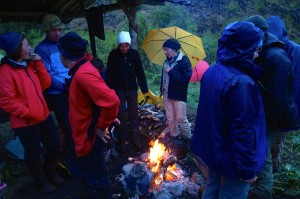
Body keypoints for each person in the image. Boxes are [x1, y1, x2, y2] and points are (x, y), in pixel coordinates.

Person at [191, 21, 267, 199]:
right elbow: (243, 130)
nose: (257, 54)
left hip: (215, 149)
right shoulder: (241, 82)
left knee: (212, 186)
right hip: (233, 157)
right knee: (232, 193)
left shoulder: (213, 70)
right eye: (256, 48)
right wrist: (247, 169)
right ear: (244, 48)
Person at [58, 31, 120, 199]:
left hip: (88, 138)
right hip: (82, 135)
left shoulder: (82, 74)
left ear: (63, 56)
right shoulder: (83, 69)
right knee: (86, 172)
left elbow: (112, 101)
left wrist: (101, 126)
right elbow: (95, 101)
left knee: (96, 177)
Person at [244, 15, 300, 199]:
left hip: (277, 115)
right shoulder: (263, 50)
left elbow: (279, 97)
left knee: (263, 150)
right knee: (264, 148)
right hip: (269, 111)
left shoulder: (276, 56)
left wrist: (264, 122)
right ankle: (265, 182)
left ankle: (263, 191)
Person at [0, 32, 63, 194]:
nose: (30, 48)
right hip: (26, 122)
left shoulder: (29, 64)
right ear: (16, 49)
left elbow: (46, 84)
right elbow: (7, 101)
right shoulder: (5, 71)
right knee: (33, 153)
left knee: (54, 145)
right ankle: (40, 182)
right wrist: (30, 113)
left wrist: (39, 65)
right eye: (26, 45)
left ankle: (50, 171)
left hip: (44, 115)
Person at [106, 31, 155, 152]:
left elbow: (139, 72)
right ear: (119, 45)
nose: (124, 48)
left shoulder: (134, 54)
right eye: (122, 46)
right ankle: (122, 141)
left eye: (126, 46)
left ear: (129, 45)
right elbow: (110, 74)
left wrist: (144, 90)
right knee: (121, 115)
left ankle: (136, 139)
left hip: (132, 90)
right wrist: (110, 90)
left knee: (134, 115)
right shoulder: (113, 55)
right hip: (119, 90)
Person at [266, 15, 300, 171]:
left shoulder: (277, 51)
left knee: (273, 141)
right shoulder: (292, 48)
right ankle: (273, 169)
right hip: (288, 105)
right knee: (276, 140)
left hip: (284, 105)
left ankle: (272, 171)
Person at [35, 14, 71, 150]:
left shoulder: (63, 44)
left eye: (59, 30)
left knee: (77, 120)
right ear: (46, 31)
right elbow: (47, 75)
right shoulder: (42, 49)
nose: (57, 33)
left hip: (71, 86)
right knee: (66, 124)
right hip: (57, 92)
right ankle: (69, 151)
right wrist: (64, 86)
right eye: (53, 31)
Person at [160, 38, 192, 143]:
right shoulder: (166, 62)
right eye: (164, 50)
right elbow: (164, 78)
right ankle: (175, 136)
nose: (165, 52)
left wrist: (171, 72)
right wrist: (162, 90)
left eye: (166, 49)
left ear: (174, 50)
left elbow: (185, 79)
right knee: (170, 118)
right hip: (167, 94)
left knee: (181, 118)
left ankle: (188, 139)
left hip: (179, 95)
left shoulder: (184, 61)